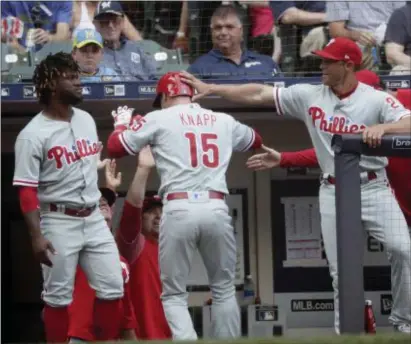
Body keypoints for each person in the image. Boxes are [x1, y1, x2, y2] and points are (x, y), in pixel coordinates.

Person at [180, 37, 411, 334]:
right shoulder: (310, 95)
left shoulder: (376, 99)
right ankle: (347, 334)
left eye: (328, 61)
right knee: (341, 272)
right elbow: (259, 93)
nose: (321, 65)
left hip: (374, 187)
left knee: (404, 251)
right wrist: (213, 89)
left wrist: (384, 127)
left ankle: (404, 323)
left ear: (347, 65)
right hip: (334, 190)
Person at [106, 72, 263, 340]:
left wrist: (121, 125)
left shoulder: (159, 118)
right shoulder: (222, 120)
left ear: (167, 94)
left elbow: (115, 147)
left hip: (179, 208)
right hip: (216, 207)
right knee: (224, 288)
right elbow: (255, 140)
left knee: (174, 294)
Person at [12, 52, 124, 343]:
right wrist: (36, 235)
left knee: (113, 287)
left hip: (93, 216)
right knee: (58, 297)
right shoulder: (32, 134)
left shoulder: (86, 119)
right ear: (51, 84)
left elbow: (83, 170)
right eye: (71, 78)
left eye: (78, 76)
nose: (79, 82)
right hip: (58, 219)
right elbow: (26, 189)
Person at [68, 160, 137, 342]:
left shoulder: (120, 259)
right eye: (96, 204)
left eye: (105, 202)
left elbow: (127, 312)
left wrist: (110, 190)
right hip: (81, 337)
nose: (103, 204)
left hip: (111, 337)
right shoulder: (78, 245)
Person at [114, 143, 172, 340]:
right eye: (150, 212)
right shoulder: (135, 245)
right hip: (140, 337)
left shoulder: (170, 248)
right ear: (141, 218)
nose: (157, 216)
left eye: (161, 212)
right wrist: (143, 170)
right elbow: (131, 213)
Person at [187, 4, 281, 79]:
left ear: (241, 30)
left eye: (229, 27)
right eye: (218, 28)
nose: (223, 32)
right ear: (212, 32)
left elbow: (281, 95)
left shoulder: (267, 62)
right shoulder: (199, 68)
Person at [93, 1, 157, 81]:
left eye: (115, 21)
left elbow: (155, 79)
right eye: (104, 22)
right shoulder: (91, 53)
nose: (111, 26)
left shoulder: (136, 49)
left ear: (122, 22)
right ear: (96, 25)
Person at [1, 1, 72, 51]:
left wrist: (48, 37)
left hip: (42, 49)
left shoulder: (64, 2)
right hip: (18, 46)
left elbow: (62, 35)